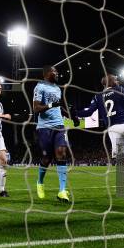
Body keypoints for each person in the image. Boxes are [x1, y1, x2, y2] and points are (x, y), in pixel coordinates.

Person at [74, 74, 124, 205]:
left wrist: (74, 113)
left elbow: (89, 112)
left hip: (114, 131)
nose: (118, 80)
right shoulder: (120, 89)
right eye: (115, 79)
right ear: (110, 82)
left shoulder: (97, 96)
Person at [33, 66, 72, 203]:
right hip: (44, 127)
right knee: (46, 159)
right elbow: (36, 108)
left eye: (57, 71)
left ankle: (62, 191)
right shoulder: (39, 87)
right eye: (54, 71)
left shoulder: (57, 88)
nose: (57, 73)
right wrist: (51, 105)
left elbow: (59, 106)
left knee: (62, 153)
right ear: (46, 73)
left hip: (59, 125)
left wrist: (71, 116)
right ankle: (40, 182)